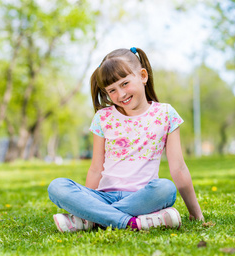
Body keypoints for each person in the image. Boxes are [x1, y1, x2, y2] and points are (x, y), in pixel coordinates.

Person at [47, 47, 204, 232]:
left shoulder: (165, 114)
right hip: (104, 196)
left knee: (166, 189)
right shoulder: (103, 118)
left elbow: (178, 167)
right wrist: (88, 201)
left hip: (143, 197)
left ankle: (94, 220)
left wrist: (196, 213)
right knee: (57, 186)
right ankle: (131, 223)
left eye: (125, 84)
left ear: (143, 76)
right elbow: (96, 168)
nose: (121, 94)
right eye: (112, 90)